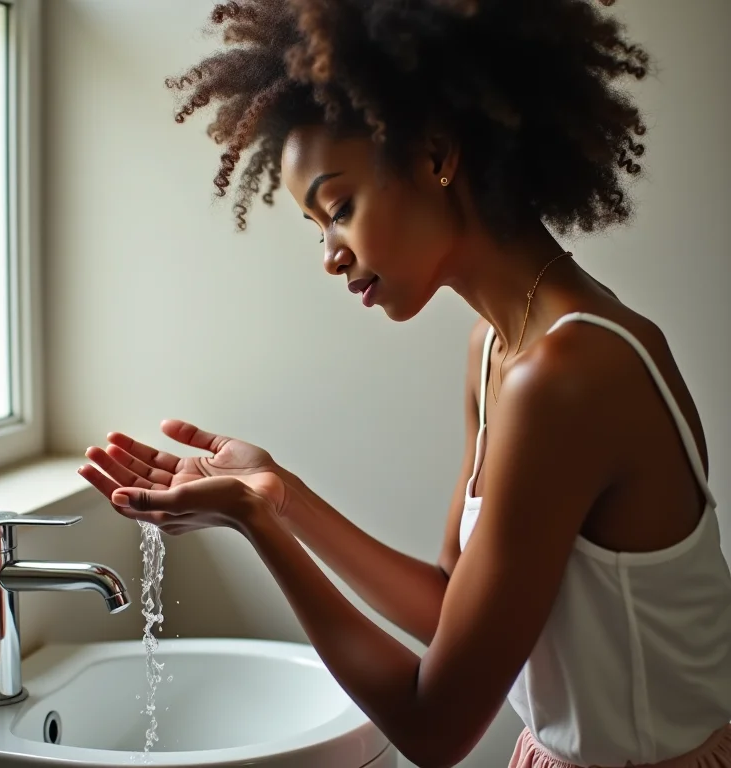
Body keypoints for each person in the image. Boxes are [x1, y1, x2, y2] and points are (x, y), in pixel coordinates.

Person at [78, 1, 731, 766]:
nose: (329, 254)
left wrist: (255, 525)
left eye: (340, 207)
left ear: (434, 154)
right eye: (316, 225)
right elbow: (451, 612)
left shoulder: (568, 376)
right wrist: (279, 496)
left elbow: (435, 728)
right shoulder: (499, 350)